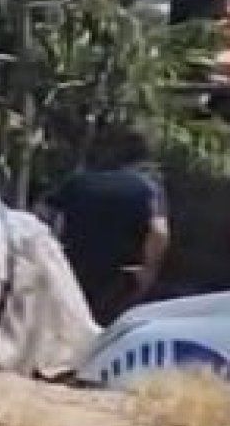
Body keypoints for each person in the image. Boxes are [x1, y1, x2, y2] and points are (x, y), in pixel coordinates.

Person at [38, 129, 170, 325]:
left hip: (72, 269)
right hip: (120, 277)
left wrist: (50, 253)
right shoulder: (147, 188)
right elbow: (159, 232)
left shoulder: (78, 182)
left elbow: (41, 213)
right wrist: (148, 272)